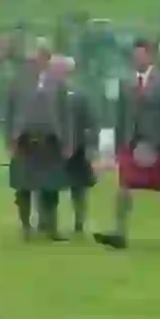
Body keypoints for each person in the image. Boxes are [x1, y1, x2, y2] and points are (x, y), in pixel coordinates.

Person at [95, 40, 160, 250]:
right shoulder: (126, 83)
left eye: (140, 55)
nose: (136, 59)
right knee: (124, 186)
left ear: (150, 56)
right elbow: (119, 116)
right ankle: (119, 233)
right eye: (134, 56)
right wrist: (115, 147)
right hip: (132, 145)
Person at [4, 46, 71, 241]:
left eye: (41, 57)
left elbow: (65, 114)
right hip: (24, 140)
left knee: (51, 187)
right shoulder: (19, 82)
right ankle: (26, 226)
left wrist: (67, 141)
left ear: (47, 60)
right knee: (23, 186)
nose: (36, 61)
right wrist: (9, 138)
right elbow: (9, 112)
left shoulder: (58, 83)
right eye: (34, 58)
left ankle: (51, 227)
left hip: (50, 140)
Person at [58, 56, 97, 236]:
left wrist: (90, 146)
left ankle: (79, 222)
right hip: (54, 146)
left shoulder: (80, 94)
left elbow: (90, 121)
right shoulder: (51, 92)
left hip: (78, 147)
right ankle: (47, 222)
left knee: (79, 187)